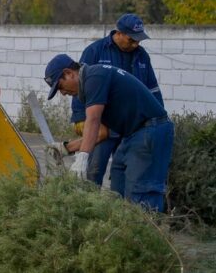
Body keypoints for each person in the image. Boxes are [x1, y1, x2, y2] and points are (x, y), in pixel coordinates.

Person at [44, 54, 173, 212]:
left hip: (151, 130)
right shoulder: (89, 84)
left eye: (60, 86)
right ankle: (121, 229)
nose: (62, 93)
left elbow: (93, 120)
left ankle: (147, 232)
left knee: (141, 194)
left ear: (69, 73)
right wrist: (67, 148)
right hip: (132, 133)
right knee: (118, 181)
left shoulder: (94, 77)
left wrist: (83, 158)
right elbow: (101, 132)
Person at [70, 14, 164, 186]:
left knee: (123, 173)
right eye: (131, 40)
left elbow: (152, 90)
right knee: (93, 171)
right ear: (119, 33)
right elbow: (79, 86)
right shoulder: (95, 51)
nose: (136, 44)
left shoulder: (142, 56)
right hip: (103, 125)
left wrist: (159, 119)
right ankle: (88, 208)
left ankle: (118, 209)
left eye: (139, 40)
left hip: (131, 128)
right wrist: (79, 117)